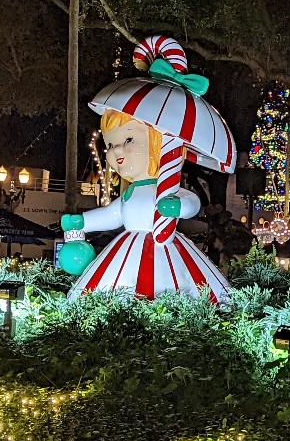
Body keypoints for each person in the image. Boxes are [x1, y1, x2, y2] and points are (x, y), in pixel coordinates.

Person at [58, 35, 237, 303]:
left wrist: (178, 207)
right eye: (111, 144)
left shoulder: (166, 189)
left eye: (128, 139)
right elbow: (114, 214)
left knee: (180, 295)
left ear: (160, 142)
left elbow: (191, 201)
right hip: (126, 251)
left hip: (167, 253)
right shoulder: (130, 194)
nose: (117, 150)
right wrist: (83, 222)